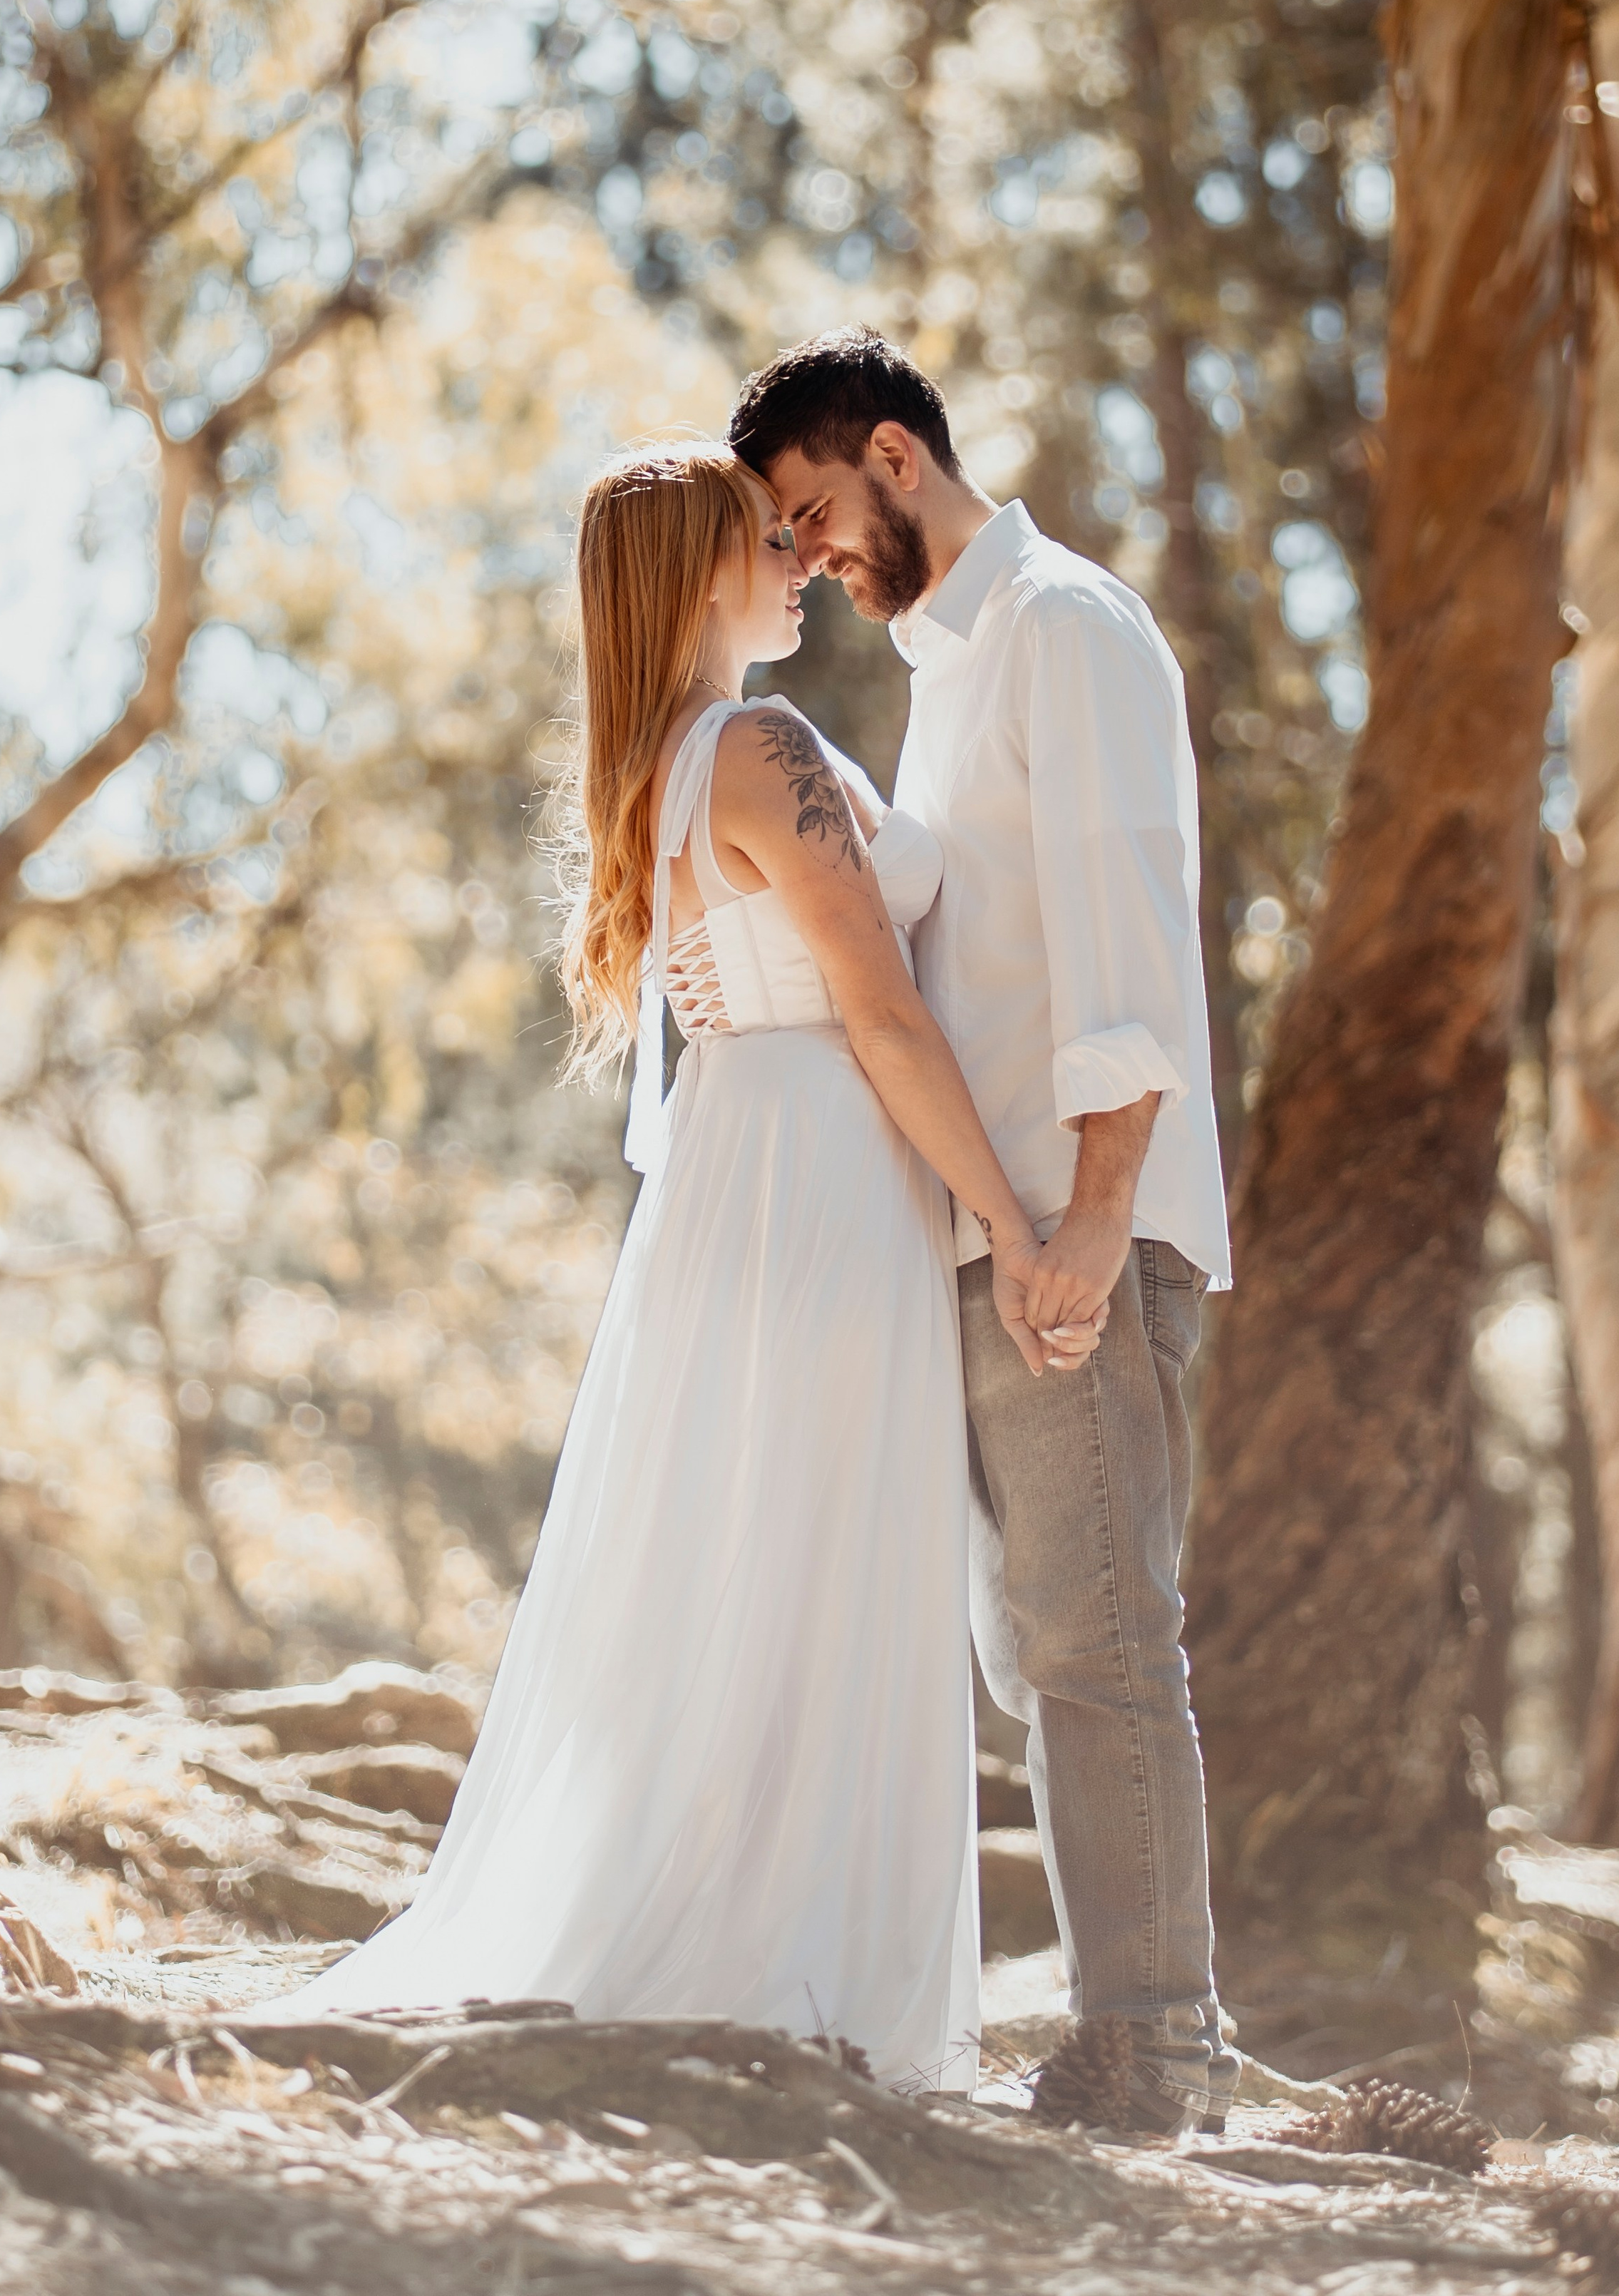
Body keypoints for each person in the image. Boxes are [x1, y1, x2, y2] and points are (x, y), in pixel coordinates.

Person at [271, 445, 1104, 2091]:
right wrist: (1017, 1228)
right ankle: (785, 1963)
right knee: (820, 1558)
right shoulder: (760, 747)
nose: (798, 556)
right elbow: (879, 1010)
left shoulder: (664, 763)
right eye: (762, 540)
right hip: (817, 1180)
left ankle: (763, 1935)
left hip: (755, 1177)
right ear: (691, 576)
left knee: (767, 1558)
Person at [730, 329, 1240, 2133]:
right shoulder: (945, 675)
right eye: (782, 546)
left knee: (1102, 1636)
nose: (807, 564)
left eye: (809, 518)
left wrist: (1091, 1220)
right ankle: (1132, 2026)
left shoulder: (1065, 629)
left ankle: (1159, 2048)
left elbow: (1126, 944)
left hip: (1069, 1226)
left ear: (892, 454)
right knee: (1042, 1650)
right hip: (992, 1228)